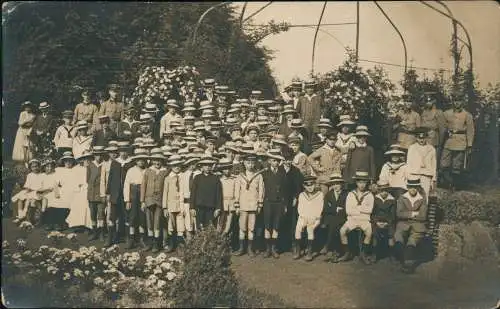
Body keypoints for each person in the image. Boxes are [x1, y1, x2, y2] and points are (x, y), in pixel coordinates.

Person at [338, 171, 375, 265]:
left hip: (364, 220)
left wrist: (357, 208)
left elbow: (370, 210)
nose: (362, 185)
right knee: (342, 231)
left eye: (364, 182)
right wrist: (361, 210)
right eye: (360, 182)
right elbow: (348, 211)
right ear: (356, 183)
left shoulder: (369, 195)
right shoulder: (351, 194)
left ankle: (363, 254)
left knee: (369, 232)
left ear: (366, 183)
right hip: (352, 219)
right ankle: (347, 252)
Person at [394, 177, 428, 274]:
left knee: (412, 241)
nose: (413, 190)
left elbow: (423, 216)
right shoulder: (402, 197)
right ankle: (403, 259)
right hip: (403, 224)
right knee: (398, 237)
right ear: (407, 187)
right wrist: (413, 214)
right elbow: (399, 213)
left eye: (415, 187)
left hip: (418, 225)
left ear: (418, 188)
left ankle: (408, 264)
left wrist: (407, 214)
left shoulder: (422, 198)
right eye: (411, 187)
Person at [234, 153, 265, 257]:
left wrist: (260, 204)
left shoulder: (259, 176)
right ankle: (241, 248)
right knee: (242, 227)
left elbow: (261, 190)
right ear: (244, 163)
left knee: (251, 228)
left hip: (253, 205)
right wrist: (237, 205)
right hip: (243, 205)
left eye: (252, 163)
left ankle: (250, 248)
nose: (250, 165)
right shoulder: (240, 176)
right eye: (248, 163)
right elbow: (237, 191)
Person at [440, 97, 475, 190]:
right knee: (444, 163)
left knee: (457, 165)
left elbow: (470, 130)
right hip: (449, 140)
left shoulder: (467, 115)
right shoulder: (446, 113)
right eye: (455, 101)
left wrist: (469, 144)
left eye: (459, 100)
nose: (457, 103)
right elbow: (442, 127)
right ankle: (446, 182)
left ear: (462, 102)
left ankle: (455, 185)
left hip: (461, 141)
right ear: (453, 102)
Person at [261, 149, 287, 258]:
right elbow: (261, 189)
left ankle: (273, 248)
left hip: (279, 203)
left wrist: (284, 204)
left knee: (276, 226)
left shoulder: (282, 173)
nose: (275, 162)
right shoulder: (264, 173)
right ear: (269, 161)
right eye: (273, 160)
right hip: (268, 202)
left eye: (277, 161)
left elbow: (285, 190)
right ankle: (267, 249)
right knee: (267, 225)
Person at [141, 150, 168, 252]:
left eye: (159, 161)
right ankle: (150, 242)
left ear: (162, 161)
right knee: (149, 221)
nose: (157, 163)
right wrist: (142, 201)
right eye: (155, 160)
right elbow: (143, 186)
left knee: (157, 221)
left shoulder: (165, 171)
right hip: (149, 199)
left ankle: (156, 243)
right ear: (152, 161)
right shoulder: (148, 171)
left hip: (160, 200)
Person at [293, 175, 324, 261]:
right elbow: (300, 209)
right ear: (304, 186)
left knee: (310, 229)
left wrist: (314, 219)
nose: (310, 187)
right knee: (298, 228)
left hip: (315, 218)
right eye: (307, 185)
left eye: (312, 184)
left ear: (315, 184)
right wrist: (303, 219)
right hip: (304, 216)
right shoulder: (302, 195)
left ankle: (309, 252)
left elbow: (319, 208)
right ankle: (298, 250)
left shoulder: (320, 194)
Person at [123, 148, 148, 249]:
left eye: (142, 160)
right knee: (132, 217)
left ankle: (142, 239)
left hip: (144, 194)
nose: (140, 162)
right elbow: (126, 185)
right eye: (138, 160)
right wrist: (127, 200)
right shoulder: (131, 170)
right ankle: (131, 239)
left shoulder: (147, 170)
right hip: (133, 194)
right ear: (135, 161)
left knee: (142, 217)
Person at [280, 150, 304, 252]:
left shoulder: (296, 171)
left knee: (293, 222)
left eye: (289, 159)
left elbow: (299, 187)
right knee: (281, 222)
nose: (287, 162)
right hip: (281, 200)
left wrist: (296, 197)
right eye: (285, 160)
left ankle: (293, 244)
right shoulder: (279, 170)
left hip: (292, 200)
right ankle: (281, 245)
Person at [320, 173, 348, 263]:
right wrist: (335, 208)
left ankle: (329, 248)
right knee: (333, 224)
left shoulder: (346, 194)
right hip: (330, 216)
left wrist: (333, 208)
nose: (336, 186)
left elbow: (346, 208)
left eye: (338, 184)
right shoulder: (329, 194)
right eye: (334, 184)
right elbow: (325, 208)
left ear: (341, 184)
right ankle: (334, 251)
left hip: (343, 217)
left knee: (335, 224)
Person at [190, 156, 223, 230]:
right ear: (202, 166)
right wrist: (192, 207)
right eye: (205, 165)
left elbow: (219, 194)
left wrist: (218, 208)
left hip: (211, 208)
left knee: (210, 228)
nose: (208, 167)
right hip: (199, 208)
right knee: (200, 228)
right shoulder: (197, 178)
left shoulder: (215, 178)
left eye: (210, 165)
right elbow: (193, 193)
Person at [48, 152, 77, 231]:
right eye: (66, 161)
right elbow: (55, 183)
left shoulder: (75, 170)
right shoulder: (59, 170)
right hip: (62, 190)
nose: (68, 162)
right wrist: (56, 193)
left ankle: (60, 223)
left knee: (66, 202)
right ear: (63, 162)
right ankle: (53, 223)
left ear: (73, 162)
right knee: (54, 201)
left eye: (70, 161)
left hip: (72, 191)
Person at [162, 154, 186, 252]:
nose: (177, 167)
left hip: (181, 204)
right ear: (171, 167)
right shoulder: (168, 178)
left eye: (178, 165)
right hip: (171, 204)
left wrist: (183, 205)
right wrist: (165, 207)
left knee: (180, 225)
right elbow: (165, 193)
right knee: (171, 225)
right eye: (174, 165)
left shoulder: (183, 177)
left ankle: (180, 245)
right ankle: (172, 244)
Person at [406, 127, 437, 200]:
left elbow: (434, 165)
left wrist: (433, 179)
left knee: (424, 195)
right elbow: (409, 162)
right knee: (413, 196)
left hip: (426, 175)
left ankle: (424, 211)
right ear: (416, 138)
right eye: (419, 138)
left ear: (426, 138)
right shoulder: (412, 148)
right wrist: (408, 176)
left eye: (423, 138)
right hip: (414, 174)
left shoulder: (431, 149)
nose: (421, 140)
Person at [11, 158, 44, 223]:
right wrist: (27, 189)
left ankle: (24, 214)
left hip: (37, 191)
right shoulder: (30, 175)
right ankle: (20, 215)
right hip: (30, 190)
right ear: (30, 168)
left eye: (36, 166)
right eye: (33, 167)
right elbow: (27, 185)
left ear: (39, 166)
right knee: (20, 199)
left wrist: (35, 190)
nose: (35, 168)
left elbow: (42, 186)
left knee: (28, 200)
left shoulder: (42, 175)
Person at [371, 180, 397, 262]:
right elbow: (372, 212)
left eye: (386, 191)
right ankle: (374, 254)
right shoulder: (375, 198)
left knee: (391, 233)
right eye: (382, 191)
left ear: (388, 191)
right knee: (375, 233)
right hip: (377, 221)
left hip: (388, 222)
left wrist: (386, 223)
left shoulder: (392, 200)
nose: (384, 193)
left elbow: (393, 215)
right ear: (379, 190)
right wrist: (376, 222)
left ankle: (391, 254)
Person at [85, 146, 107, 241]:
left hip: (101, 193)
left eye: (100, 155)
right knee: (92, 214)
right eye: (96, 155)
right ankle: (94, 232)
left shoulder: (105, 165)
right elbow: (87, 179)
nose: (98, 157)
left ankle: (101, 232)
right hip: (91, 193)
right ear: (94, 155)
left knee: (101, 213)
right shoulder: (90, 165)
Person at [179, 154, 201, 240]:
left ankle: (198, 244)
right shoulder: (183, 175)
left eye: (194, 163)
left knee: (197, 223)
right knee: (188, 223)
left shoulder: (199, 174)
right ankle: (189, 243)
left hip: (197, 202)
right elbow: (181, 191)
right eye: (190, 163)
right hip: (186, 202)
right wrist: (182, 206)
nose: (192, 165)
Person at [420, 93, 446, 162]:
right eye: (426, 101)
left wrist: (440, 143)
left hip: (434, 139)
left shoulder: (438, 112)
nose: (428, 103)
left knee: (432, 160)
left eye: (430, 101)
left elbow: (442, 129)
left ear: (434, 101)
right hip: (423, 139)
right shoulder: (423, 112)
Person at [217, 158, 237, 236]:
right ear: (222, 170)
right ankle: (218, 238)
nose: (227, 171)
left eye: (229, 169)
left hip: (231, 202)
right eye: (225, 169)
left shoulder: (234, 179)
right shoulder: (219, 179)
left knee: (229, 221)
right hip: (222, 202)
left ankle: (224, 237)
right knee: (221, 221)